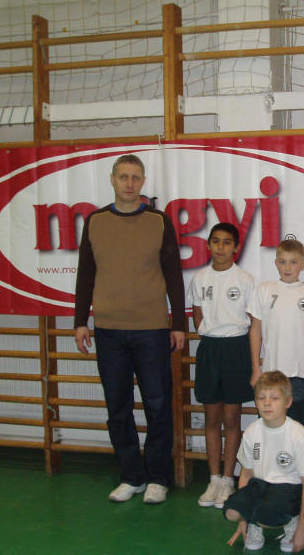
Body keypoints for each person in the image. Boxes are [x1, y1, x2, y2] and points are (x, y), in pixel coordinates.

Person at [74, 153, 186, 504]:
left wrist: (178, 324)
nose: (129, 183)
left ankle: (158, 478)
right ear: (112, 179)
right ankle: (131, 476)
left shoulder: (159, 221)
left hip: (151, 329)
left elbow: (173, 274)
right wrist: (80, 321)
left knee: (157, 405)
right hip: (108, 330)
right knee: (117, 408)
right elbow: (85, 273)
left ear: (143, 182)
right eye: (123, 176)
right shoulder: (95, 221)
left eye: (136, 177)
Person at [188, 222, 255, 509]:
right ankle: (213, 478)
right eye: (215, 241)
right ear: (208, 245)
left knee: (232, 419)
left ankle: (228, 479)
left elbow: (254, 321)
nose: (220, 247)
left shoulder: (245, 280)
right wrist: (208, 333)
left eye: (227, 242)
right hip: (210, 350)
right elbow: (197, 315)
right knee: (212, 418)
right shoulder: (199, 278)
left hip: (236, 348)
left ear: (236, 247)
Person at [223, 371, 304, 553]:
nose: (267, 403)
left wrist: (303, 527)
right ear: (256, 401)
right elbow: (246, 473)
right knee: (231, 511)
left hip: (289, 488)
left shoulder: (298, 434)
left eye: (275, 398)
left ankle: (292, 521)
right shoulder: (252, 431)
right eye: (261, 398)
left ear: (288, 402)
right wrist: (243, 519)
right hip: (260, 486)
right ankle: (254, 525)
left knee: (270, 510)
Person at [248, 238, 304, 432]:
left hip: (301, 374)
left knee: (301, 431)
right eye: (282, 262)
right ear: (276, 263)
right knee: (271, 429)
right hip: (270, 374)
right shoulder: (263, 291)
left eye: (293, 262)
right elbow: (255, 331)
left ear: (303, 264)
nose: (287, 267)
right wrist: (256, 368)